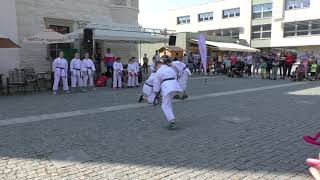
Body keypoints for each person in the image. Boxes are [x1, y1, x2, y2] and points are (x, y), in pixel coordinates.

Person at [153, 61, 182, 130]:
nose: (156, 69)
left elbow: (156, 82)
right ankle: (171, 119)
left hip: (166, 87)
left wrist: (156, 92)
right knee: (168, 103)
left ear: (158, 65)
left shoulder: (159, 71)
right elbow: (175, 76)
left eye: (156, 67)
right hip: (174, 86)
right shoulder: (170, 69)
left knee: (165, 105)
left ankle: (172, 121)